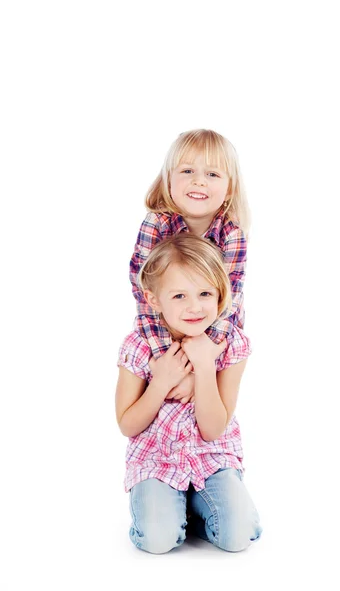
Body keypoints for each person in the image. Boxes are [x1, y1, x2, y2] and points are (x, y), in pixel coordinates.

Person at [116, 234, 262, 553]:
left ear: (221, 295)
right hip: (157, 460)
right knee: (157, 541)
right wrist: (161, 381)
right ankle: (169, 508)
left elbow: (212, 430)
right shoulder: (140, 346)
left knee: (236, 538)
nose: (194, 307)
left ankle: (195, 506)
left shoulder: (230, 345)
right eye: (179, 295)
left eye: (205, 293)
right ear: (154, 300)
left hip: (212, 458)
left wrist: (205, 366)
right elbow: (128, 425)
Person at [129, 128, 250, 404]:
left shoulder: (232, 234)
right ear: (168, 179)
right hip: (163, 323)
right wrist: (168, 361)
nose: (199, 182)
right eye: (187, 171)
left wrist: (199, 367)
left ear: (229, 188)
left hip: (216, 326)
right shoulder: (156, 224)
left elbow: (229, 301)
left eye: (212, 174)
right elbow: (144, 295)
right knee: (158, 390)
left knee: (208, 401)